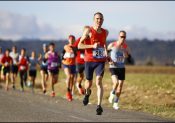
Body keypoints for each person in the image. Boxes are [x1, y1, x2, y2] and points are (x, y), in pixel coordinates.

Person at [78, 12, 109, 115]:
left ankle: (99, 106)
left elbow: (104, 44)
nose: (99, 20)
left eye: (100, 19)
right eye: (97, 19)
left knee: (99, 81)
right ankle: (87, 94)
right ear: (93, 20)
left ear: (103, 20)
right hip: (89, 60)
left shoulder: (105, 32)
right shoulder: (88, 31)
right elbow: (79, 46)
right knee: (88, 83)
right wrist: (92, 46)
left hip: (100, 61)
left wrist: (106, 54)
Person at [107, 30, 130, 110]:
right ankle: (112, 93)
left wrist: (125, 53)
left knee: (120, 86)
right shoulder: (112, 45)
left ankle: (115, 103)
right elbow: (105, 54)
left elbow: (127, 56)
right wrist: (109, 60)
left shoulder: (126, 46)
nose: (123, 38)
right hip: (113, 67)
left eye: (124, 37)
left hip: (121, 68)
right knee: (116, 83)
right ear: (118, 37)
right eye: (121, 36)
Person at [73, 27, 90, 95]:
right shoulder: (80, 39)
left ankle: (86, 91)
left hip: (87, 61)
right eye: (86, 31)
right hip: (79, 61)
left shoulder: (90, 39)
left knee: (87, 77)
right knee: (81, 76)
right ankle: (78, 84)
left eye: (89, 31)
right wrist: (78, 52)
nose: (87, 32)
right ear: (84, 32)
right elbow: (74, 47)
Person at [62, 35, 77, 101]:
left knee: (72, 79)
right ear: (68, 40)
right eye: (70, 39)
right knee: (68, 76)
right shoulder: (66, 46)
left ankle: (70, 92)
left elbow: (76, 54)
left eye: (73, 39)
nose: (71, 40)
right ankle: (68, 91)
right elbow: (62, 54)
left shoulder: (75, 47)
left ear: (74, 40)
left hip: (73, 65)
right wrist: (62, 60)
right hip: (66, 64)